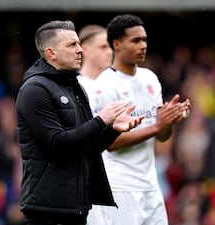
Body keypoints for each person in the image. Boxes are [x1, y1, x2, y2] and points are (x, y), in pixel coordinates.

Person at [15, 20, 145, 225]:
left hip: (76, 207)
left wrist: (112, 130)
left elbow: (87, 146)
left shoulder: (74, 87)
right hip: (47, 209)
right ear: (51, 53)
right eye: (72, 45)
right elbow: (57, 143)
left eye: (78, 44)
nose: (79, 50)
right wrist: (101, 120)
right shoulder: (34, 90)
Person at [86, 14, 191, 225]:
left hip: (151, 184)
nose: (143, 45)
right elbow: (110, 143)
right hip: (121, 187)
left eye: (144, 40)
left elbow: (161, 136)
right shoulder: (105, 85)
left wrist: (169, 121)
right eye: (135, 41)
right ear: (116, 44)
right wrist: (156, 127)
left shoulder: (149, 78)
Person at [77, 24, 113, 99]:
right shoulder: (75, 85)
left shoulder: (116, 82)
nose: (110, 52)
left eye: (111, 47)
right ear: (85, 50)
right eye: (103, 47)